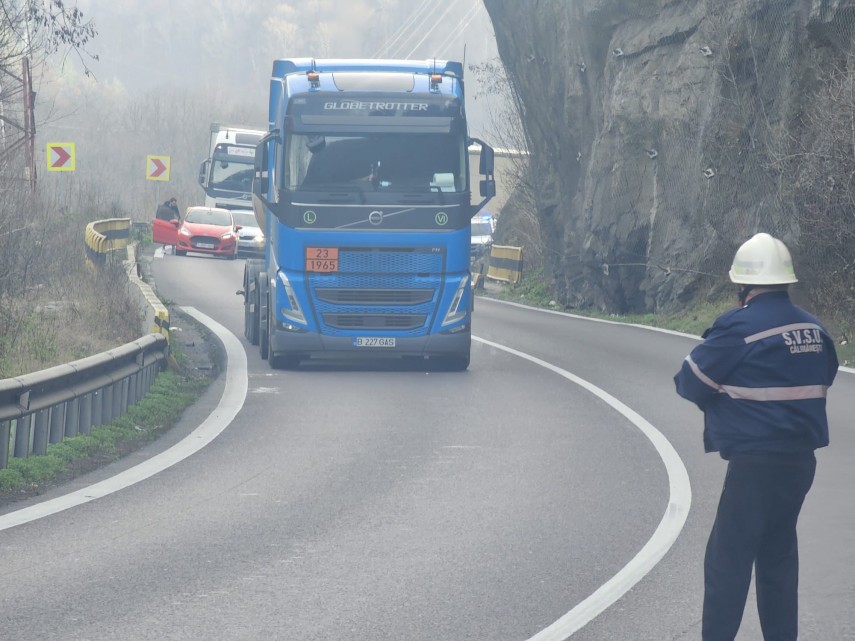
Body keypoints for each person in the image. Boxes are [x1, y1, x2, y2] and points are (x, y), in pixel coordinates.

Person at [674, 232, 838, 641]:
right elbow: (826, 375)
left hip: (755, 464)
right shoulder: (815, 329)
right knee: (778, 558)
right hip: (800, 463)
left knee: (726, 562)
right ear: (786, 281)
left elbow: (689, 382)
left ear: (742, 285)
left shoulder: (738, 327)